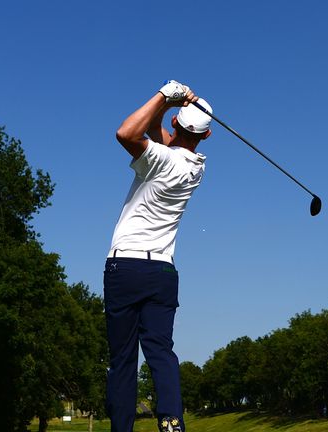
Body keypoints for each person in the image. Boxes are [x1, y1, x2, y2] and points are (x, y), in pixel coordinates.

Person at [103, 80, 213, 432]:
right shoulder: (196, 166)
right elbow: (160, 137)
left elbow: (126, 133)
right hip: (163, 273)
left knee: (123, 360)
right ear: (206, 136)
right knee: (161, 353)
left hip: (126, 267)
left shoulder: (159, 158)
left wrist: (165, 96)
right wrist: (167, 109)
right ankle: (171, 423)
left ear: (178, 124)